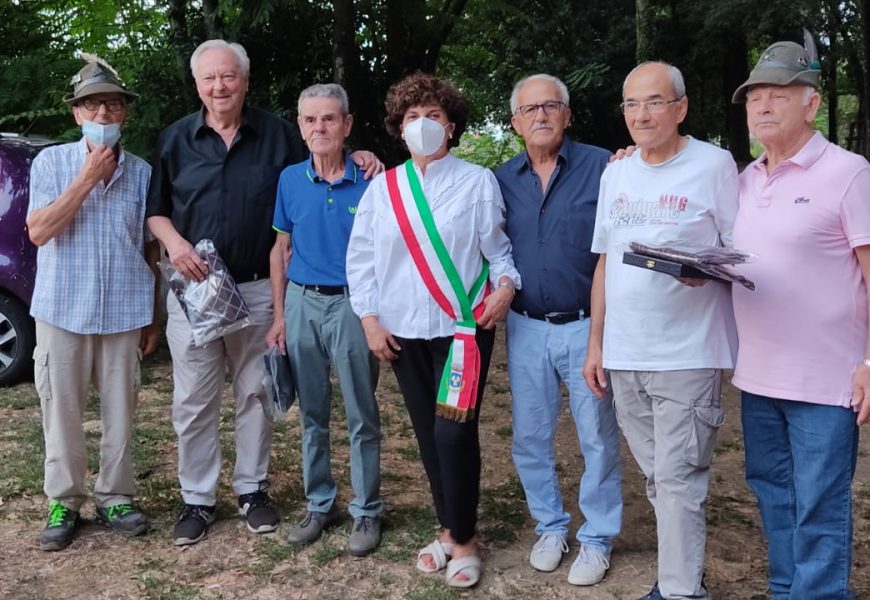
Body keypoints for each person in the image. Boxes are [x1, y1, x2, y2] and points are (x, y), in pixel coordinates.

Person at [146, 39, 382, 546]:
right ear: (197, 84)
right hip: (196, 289)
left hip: (257, 288)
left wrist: (362, 152)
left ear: (245, 81)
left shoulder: (281, 135)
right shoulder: (173, 140)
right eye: (209, 78)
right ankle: (198, 498)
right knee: (193, 399)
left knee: (256, 392)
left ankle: (252, 490)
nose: (219, 86)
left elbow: (324, 161)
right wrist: (174, 242)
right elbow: (156, 210)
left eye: (229, 76)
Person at [346, 72, 520, 588]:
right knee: (428, 435)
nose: (423, 125)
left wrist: (506, 289)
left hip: (463, 329)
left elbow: (499, 253)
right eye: (412, 117)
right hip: (403, 331)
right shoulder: (384, 188)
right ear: (399, 128)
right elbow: (362, 261)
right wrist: (370, 320)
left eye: (434, 116)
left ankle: (464, 541)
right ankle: (448, 530)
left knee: (453, 432)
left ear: (452, 125)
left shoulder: (477, 182)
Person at [583, 61, 738, 600]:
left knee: (677, 480)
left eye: (654, 101)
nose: (642, 114)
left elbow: (743, 253)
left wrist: (708, 271)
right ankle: (683, 577)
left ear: (681, 107)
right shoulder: (617, 172)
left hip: (688, 352)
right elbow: (604, 262)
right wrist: (596, 344)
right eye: (632, 104)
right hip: (625, 353)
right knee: (660, 478)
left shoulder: (715, 165)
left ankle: (678, 590)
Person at [730, 39, 870, 599]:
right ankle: (786, 589)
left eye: (776, 96)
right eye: (753, 98)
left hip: (827, 378)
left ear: (811, 104)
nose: (761, 107)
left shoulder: (850, 172)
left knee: (819, 502)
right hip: (758, 374)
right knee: (771, 491)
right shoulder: (744, 179)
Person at [26, 55, 160, 551]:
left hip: (125, 309)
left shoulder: (142, 173)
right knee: (60, 408)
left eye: (112, 104)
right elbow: (39, 230)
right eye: (92, 105)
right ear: (76, 115)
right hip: (62, 307)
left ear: (125, 112)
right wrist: (85, 178)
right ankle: (65, 499)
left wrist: (155, 313)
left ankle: (117, 494)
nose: (103, 115)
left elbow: (151, 249)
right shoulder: (52, 163)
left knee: (122, 409)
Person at [494, 74, 622, 586]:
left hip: (588, 326)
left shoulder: (605, 167)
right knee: (530, 436)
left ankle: (597, 537)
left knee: (596, 436)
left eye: (551, 106)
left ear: (567, 115)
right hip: (525, 327)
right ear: (515, 123)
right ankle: (550, 526)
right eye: (529, 109)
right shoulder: (500, 179)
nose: (541, 116)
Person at [264, 83, 382, 556]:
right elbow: (281, 248)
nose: (320, 127)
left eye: (329, 118)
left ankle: (367, 511)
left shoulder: (372, 179)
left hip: (354, 304)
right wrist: (279, 316)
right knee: (311, 412)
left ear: (347, 124)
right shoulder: (290, 180)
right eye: (311, 120)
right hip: (302, 302)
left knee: (361, 412)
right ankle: (320, 503)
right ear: (300, 127)